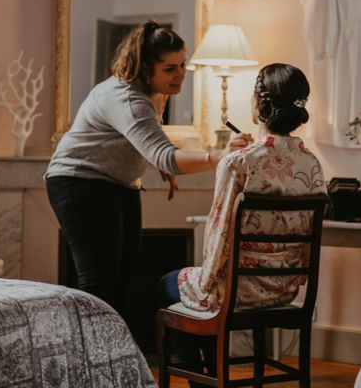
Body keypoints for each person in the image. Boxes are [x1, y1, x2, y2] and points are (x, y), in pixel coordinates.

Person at [45, 21, 252, 316]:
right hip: (78, 182)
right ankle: (86, 358)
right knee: (98, 283)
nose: (180, 75)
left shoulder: (156, 94)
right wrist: (215, 156)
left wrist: (159, 165)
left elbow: (147, 141)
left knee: (123, 277)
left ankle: (114, 356)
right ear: (144, 69)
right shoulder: (126, 97)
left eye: (183, 65)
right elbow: (165, 155)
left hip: (118, 184)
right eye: (170, 69)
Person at [158, 63, 326, 379]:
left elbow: (219, 234)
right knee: (192, 288)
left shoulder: (238, 162)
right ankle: (215, 374)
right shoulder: (313, 164)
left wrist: (206, 283)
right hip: (285, 290)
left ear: (258, 103)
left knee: (168, 283)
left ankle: (206, 381)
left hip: (237, 292)